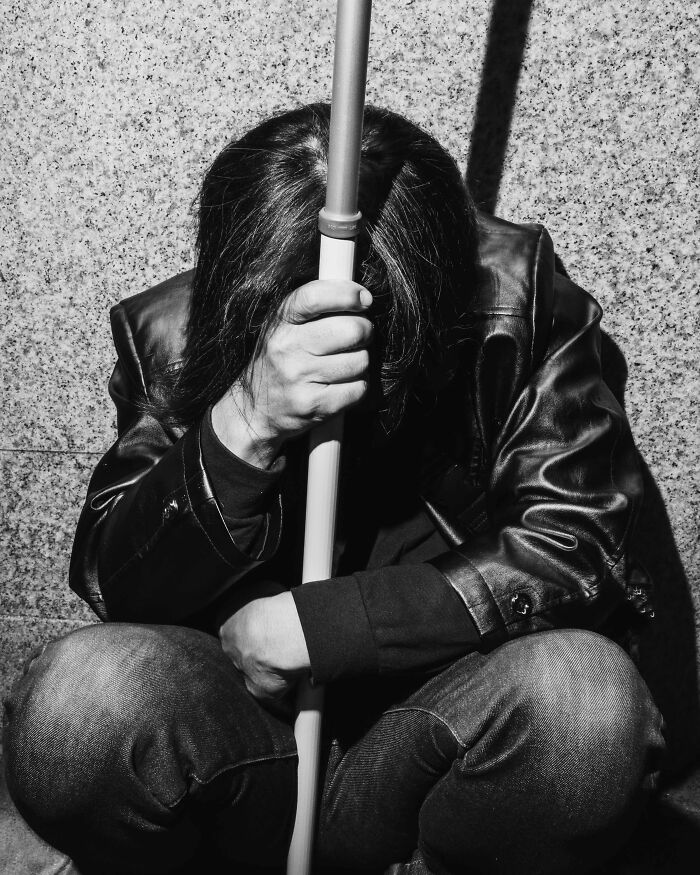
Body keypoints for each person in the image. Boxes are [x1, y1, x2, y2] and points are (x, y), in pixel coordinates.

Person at [4, 103, 664, 875]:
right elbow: (114, 581)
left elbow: (575, 546)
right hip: (248, 741)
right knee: (76, 709)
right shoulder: (172, 329)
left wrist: (321, 626)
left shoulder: (515, 300)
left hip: (439, 736)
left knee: (586, 704)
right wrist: (243, 421)